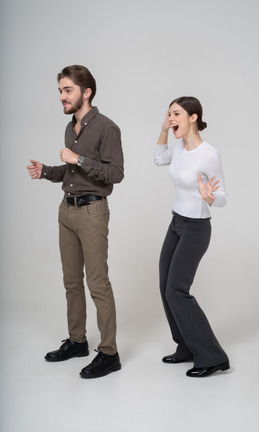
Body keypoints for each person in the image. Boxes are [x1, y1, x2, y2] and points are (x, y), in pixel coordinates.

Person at [27, 65, 124, 379]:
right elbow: (70, 174)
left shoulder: (107, 128)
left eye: (67, 90)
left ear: (87, 92)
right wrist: (46, 171)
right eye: (60, 91)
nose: (62, 97)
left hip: (92, 213)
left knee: (97, 284)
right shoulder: (71, 128)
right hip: (66, 212)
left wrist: (79, 159)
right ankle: (77, 341)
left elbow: (116, 174)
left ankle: (109, 353)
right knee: (71, 283)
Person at [154, 96, 230, 378]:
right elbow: (159, 157)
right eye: (169, 114)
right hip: (176, 223)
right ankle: (185, 346)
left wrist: (210, 197)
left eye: (176, 114)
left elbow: (222, 197)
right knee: (165, 286)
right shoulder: (177, 147)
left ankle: (212, 356)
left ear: (193, 117)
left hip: (197, 228)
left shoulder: (209, 154)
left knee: (177, 289)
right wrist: (164, 129)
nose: (171, 118)